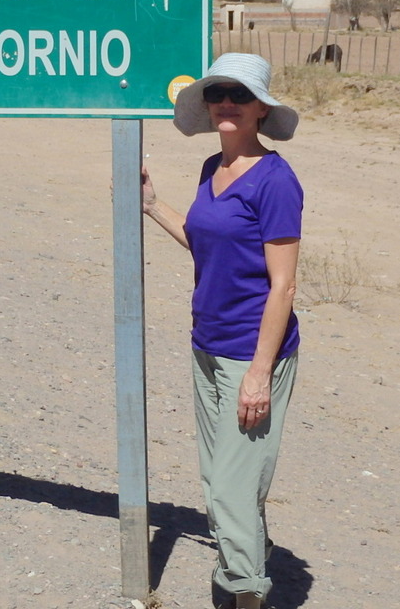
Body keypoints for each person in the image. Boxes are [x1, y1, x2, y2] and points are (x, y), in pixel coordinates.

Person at [141, 53, 302, 609]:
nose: (227, 102)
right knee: (220, 481)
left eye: (240, 94)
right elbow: (203, 239)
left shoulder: (277, 182)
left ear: (261, 108)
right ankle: (245, 559)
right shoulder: (213, 168)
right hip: (206, 346)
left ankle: (246, 592)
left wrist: (259, 374)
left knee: (232, 490)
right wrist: (152, 205)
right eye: (218, 93)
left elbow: (282, 287)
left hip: (250, 356)